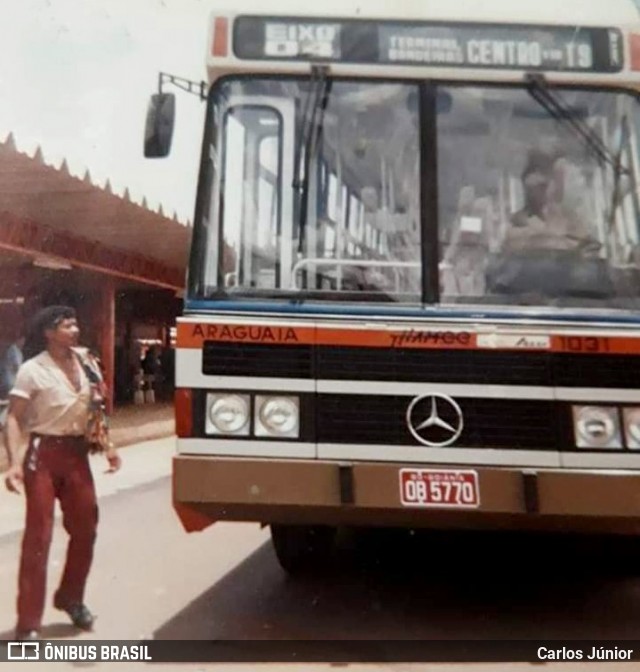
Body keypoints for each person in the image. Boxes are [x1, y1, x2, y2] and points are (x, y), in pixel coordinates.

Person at [3, 305, 121, 641]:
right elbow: (13, 418)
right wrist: (13, 463)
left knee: (86, 528)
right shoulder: (32, 370)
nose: (74, 329)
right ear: (48, 333)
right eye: (65, 324)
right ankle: (27, 623)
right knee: (38, 538)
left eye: (75, 322)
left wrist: (108, 446)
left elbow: (95, 411)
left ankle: (71, 597)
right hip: (43, 454)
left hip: (76, 454)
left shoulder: (86, 363)